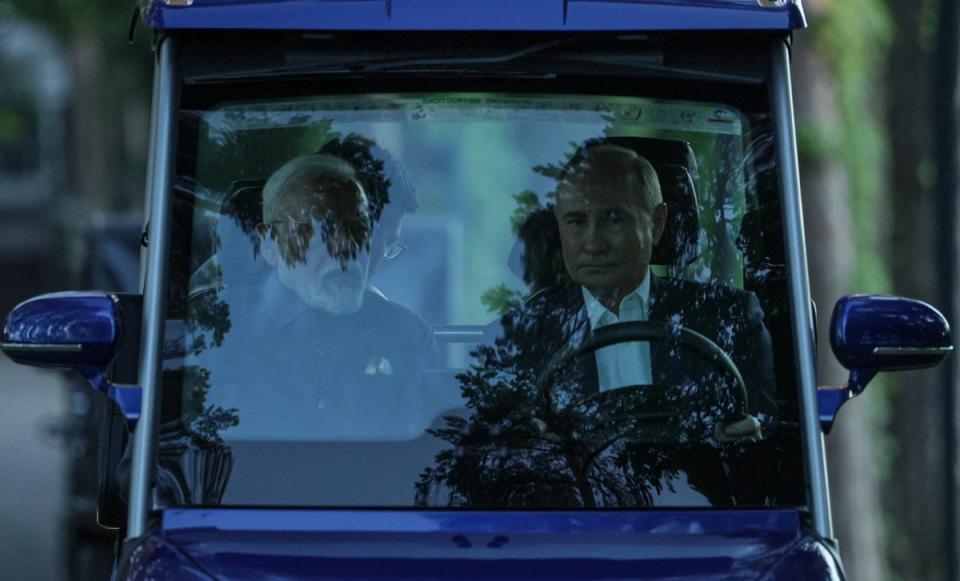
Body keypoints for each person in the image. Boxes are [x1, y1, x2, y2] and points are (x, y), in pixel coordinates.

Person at [509, 143, 777, 427]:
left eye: (613, 219)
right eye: (576, 221)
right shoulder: (522, 335)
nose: (593, 244)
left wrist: (747, 432)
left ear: (656, 224)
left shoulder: (731, 319)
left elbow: (770, 437)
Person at [183, 153, 438, 441]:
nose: (347, 248)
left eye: (360, 228)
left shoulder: (406, 339)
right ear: (270, 243)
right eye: (325, 228)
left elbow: (429, 465)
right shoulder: (211, 329)